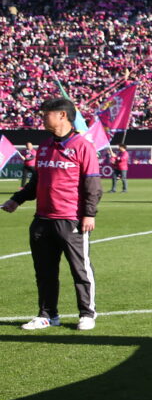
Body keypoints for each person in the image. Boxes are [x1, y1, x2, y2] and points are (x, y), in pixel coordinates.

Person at [2, 97, 102, 331]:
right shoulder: (45, 145)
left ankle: (87, 313)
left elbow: (93, 184)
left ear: (62, 115)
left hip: (70, 219)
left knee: (80, 269)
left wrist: (89, 214)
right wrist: (16, 200)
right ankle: (48, 314)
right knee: (44, 271)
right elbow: (37, 181)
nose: (42, 118)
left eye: (46, 113)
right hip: (42, 220)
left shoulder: (82, 146)